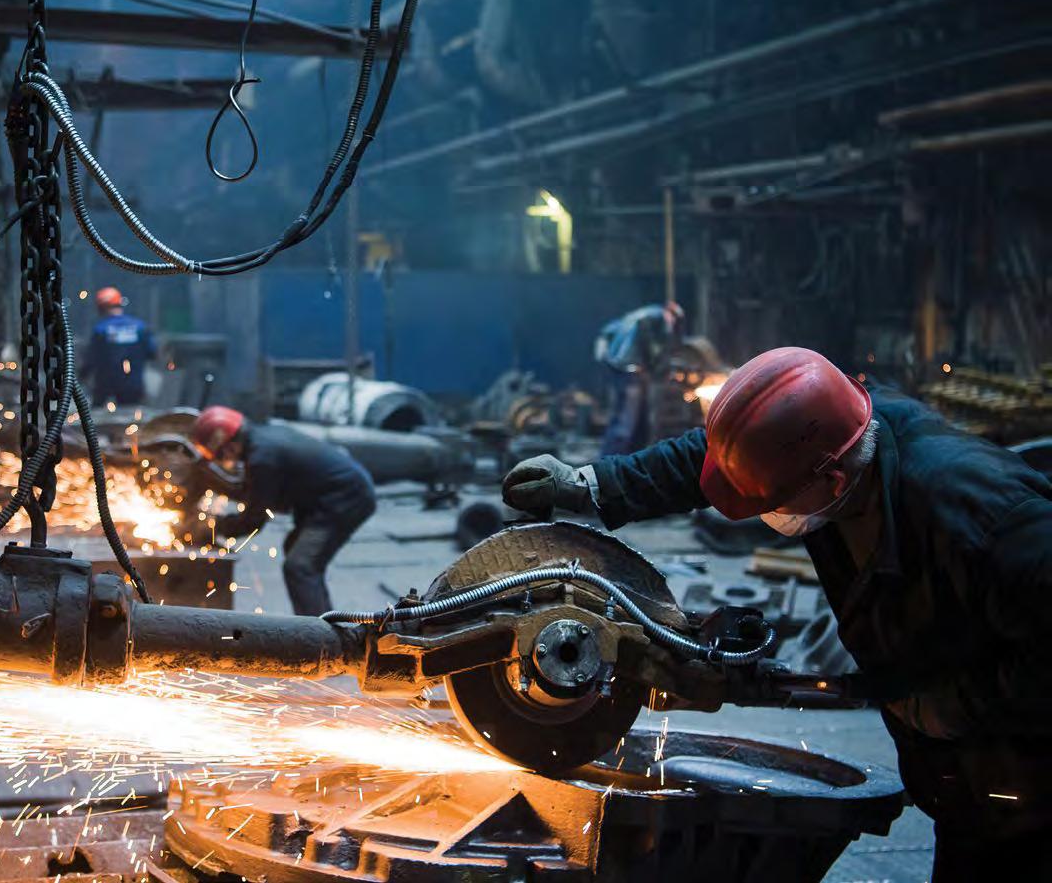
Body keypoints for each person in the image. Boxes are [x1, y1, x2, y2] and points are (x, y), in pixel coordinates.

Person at [502, 346, 1052, 882]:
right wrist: (594, 484)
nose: (761, 509)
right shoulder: (839, 431)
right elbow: (717, 458)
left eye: (770, 500)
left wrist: (954, 706)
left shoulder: (991, 523)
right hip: (967, 790)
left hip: (1033, 785)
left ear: (833, 481)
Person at [191, 406, 376, 616]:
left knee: (300, 567)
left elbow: (253, 520)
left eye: (220, 457)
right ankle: (324, 619)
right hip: (330, 496)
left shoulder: (263, 459)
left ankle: (318, 633)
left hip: (345, 499)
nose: (225, 462)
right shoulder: (262, 439)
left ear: (229, 447)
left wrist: (212, 527)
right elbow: (254, 492)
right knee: (296, 550)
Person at [595, 300, 683, 455]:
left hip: (621, 370)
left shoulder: (637, 314)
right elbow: (651, 345)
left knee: (634, 422)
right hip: (632, 371)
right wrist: (656, 366)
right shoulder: (655, 316)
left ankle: (627, 459)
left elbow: (608, 331)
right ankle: (611, 460)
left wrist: (606, 357)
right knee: (625, 424)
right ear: (671, 314)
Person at [82, 287, 156, 406]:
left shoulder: (100, 330)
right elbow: (152, 353)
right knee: (133, 415)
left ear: (100, 308)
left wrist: (82, 376)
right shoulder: (140, 327)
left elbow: (90, 359)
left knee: (98, 416)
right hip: (133, 388)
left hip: (105, 390)